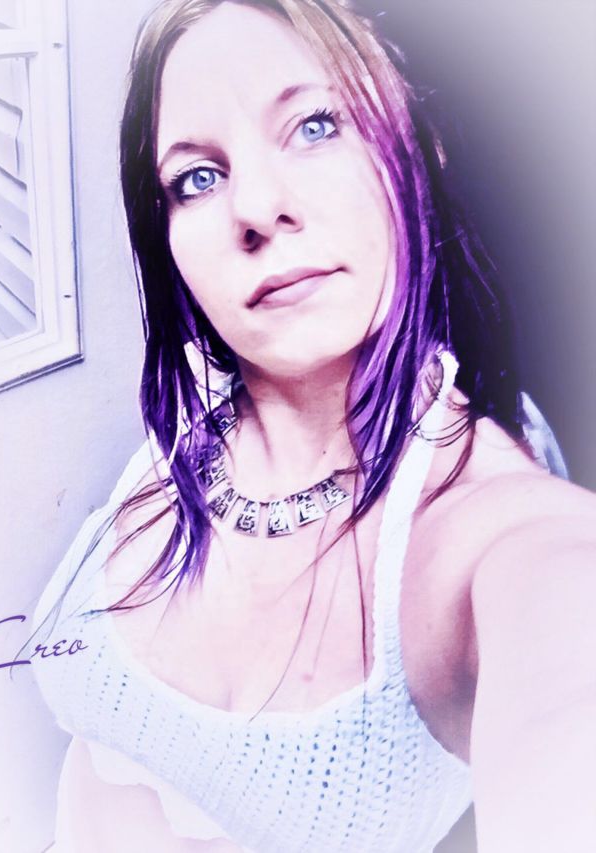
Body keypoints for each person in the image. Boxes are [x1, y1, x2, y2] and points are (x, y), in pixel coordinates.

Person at [29, 1, 596, 851]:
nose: (255, 206)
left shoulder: (495, 536)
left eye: (316, 125)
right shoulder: (183, 435)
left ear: (418, 141)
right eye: (197, 178)